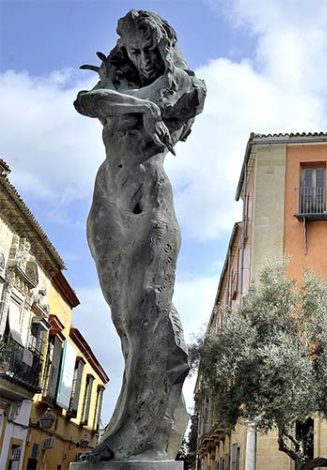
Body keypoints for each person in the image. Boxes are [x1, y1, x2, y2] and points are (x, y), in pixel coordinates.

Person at [74, 10, 206, 462]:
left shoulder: (184, 86)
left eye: (150, 48)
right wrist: (141, 107)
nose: (143, 57)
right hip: (107, 203)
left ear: (164, 46)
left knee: (144, 315)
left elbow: (182, 102)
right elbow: (86, 102)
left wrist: (143, 103)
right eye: (133, 49)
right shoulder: (116, 83)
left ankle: (133, 437)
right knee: (124, 325)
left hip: (148, 203)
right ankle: (129, 432)